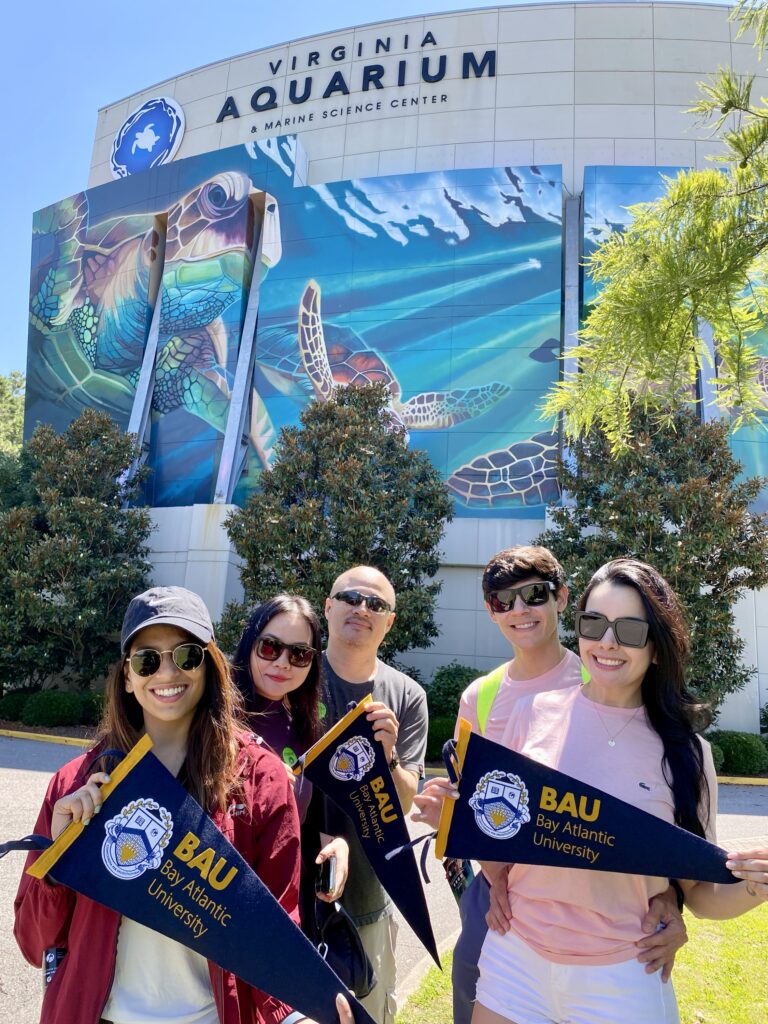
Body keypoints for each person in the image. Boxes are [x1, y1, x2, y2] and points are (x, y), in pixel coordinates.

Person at [416, 559, 768, 1024]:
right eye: (595, 623)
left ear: (657, 647)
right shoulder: (531, 712)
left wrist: (756, 887)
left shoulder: (685, 753)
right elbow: (508, 831)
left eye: (630, 629)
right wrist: (464, 831)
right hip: (515, 960)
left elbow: (700, 892)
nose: (607, 641)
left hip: (623, 974)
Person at [14, 585, 354, 1024]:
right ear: (127, 678)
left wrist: (295, 1015)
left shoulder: (260, 779)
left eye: (186, 655)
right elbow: (32, 940)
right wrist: (60, 857)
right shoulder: (76, 783)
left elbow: (276, 934)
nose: (167, 672)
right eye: (147, 659)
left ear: (210, 666)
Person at [320, 565, 428, 1024]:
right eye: (351, 597)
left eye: (377, 604)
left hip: (367, 901)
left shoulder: (406, 695)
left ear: (390, 621)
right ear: (328, 607)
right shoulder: (288, 672)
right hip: (279, 893)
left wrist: (389, 760)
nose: (362, 608)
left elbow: (405, 802)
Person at [231, 594, 350, 921]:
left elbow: (302, 819)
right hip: (214, 900)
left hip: (279, 908)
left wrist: (334, 845)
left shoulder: (305, 726)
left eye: (299, 653)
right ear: (249, 643)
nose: (283, 662)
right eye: (270, 647)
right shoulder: (212, 716)